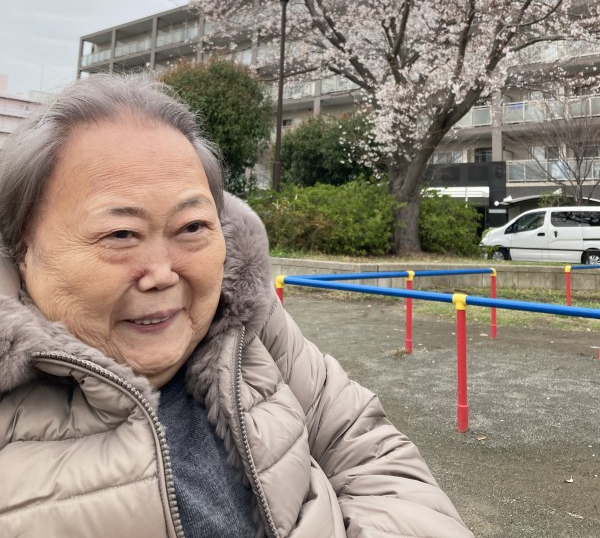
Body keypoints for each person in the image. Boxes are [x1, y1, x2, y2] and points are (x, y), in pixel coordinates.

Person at [0, 73, 474, 538]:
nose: (163, 273)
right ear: (21, 248)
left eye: (192, 228)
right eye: (121, 234)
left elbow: (365, 445)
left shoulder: (246, 320)